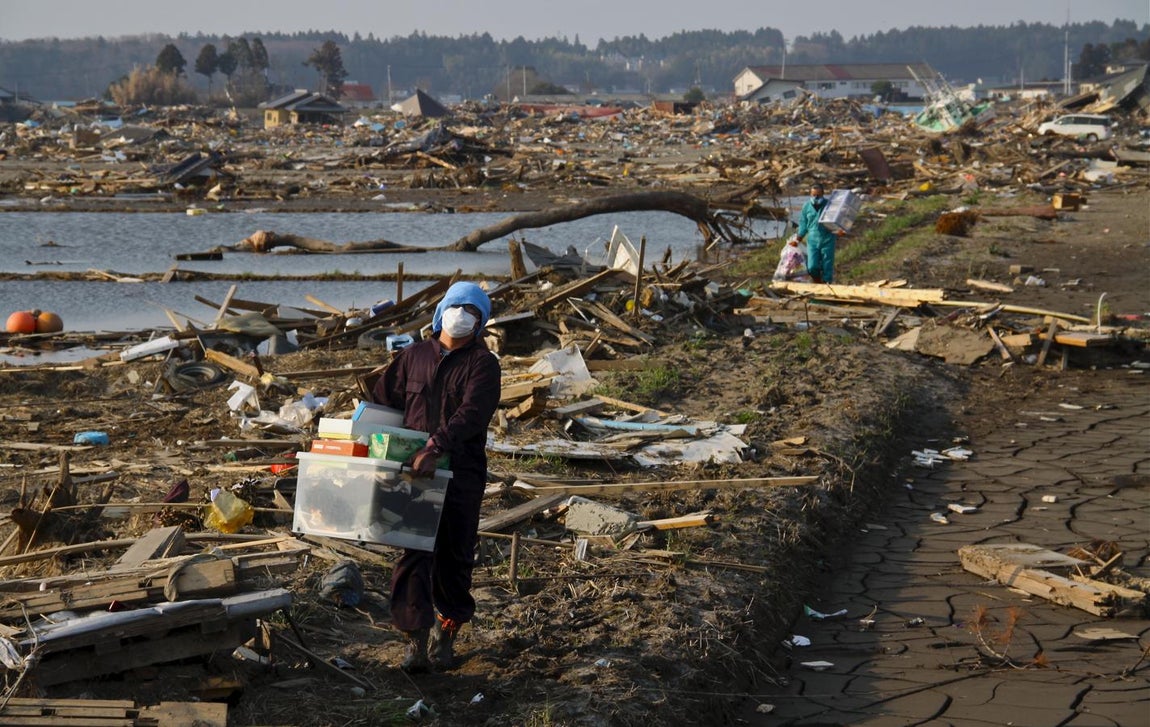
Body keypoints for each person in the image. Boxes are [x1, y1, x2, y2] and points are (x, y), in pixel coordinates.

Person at [370, 281, 501, 672]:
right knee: (412, 553)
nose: (462, 315)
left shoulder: (483, 364)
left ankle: (448, 631)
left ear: (481, 323)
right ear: (442, 311)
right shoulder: (413, 356)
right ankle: (415, 641)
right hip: (412, 474)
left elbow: (472, 414)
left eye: (473, 312)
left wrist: (437, 447)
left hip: (460, 473)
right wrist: (366, 444)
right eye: (457, 307)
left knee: (454, 555)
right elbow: (383, 404)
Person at [796, 182, 837, 284]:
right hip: (813, 239)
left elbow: (836, 220)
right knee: (812, 266)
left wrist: (839, 230)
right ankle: (817, 281)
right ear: (810, 194)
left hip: (827, 238)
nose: (816, 197)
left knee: (827, 264)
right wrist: (798, 238)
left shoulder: (829, 205)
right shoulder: (806, 207)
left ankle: (827, 283)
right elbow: (803, 223)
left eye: (818, 195)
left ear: (823, 194)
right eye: (813, 195)